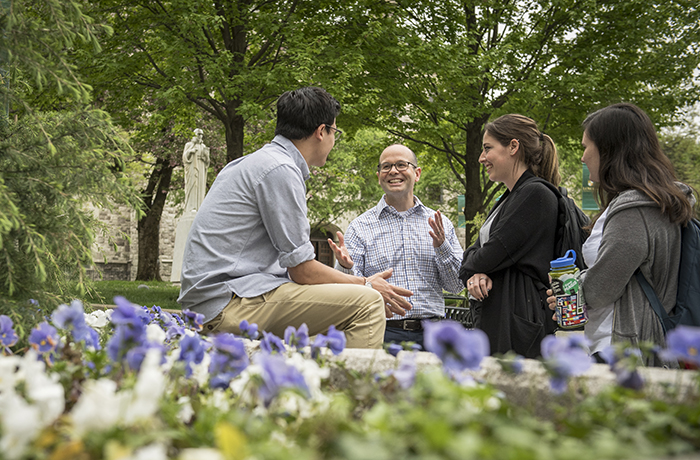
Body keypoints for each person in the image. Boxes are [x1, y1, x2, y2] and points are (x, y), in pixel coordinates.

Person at [178, 87, 413, 349]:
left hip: (225, 296)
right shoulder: (280, 170)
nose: (334, 141)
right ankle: (354, 388)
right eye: (335, 132)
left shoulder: (258, 162)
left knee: (322, 330)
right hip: (225, 303)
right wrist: (367, 283)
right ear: (321, 131)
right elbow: (302, 271)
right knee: (367, 303)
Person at [547, 103, 696, 365]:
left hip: (624, 346)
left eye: (586, 146)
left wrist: (569, 288)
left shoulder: (634, 210)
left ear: (609, 149)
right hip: (626, 342)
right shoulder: (649, 203)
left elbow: (601, 288)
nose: (583, 157)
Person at [328, 144, 464, 347]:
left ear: (416, 173)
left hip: (434, 335)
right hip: (381, 332)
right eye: (386, 166)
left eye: (401, 165)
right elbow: (348, 290)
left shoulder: (440, 223)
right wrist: (345, 267)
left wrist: (442, 247)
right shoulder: (360, 227)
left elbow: (456, 285)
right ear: (379, 176)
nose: (393, 171)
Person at [459, 114, 560, 358]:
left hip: (517, 324)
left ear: (513, 147)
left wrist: (473, 266)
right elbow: (477, 255)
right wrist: (473, 272)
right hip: (503, 317)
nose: (481, 158)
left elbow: (486, 255)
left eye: (487, 148)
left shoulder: (534, 193)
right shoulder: (508, 198)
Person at [183, 128, 210, 212]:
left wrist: (205, 157)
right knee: (193, 185)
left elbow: (207, 161)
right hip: (192, 167)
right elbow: (184, 158)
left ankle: (200, 207)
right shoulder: (188, 145)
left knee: (200, 186)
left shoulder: (203, 146)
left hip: (201, 167)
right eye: (198, 134)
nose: (200, 136)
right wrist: (191, 151)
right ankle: (191, 207)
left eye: (201, 134)